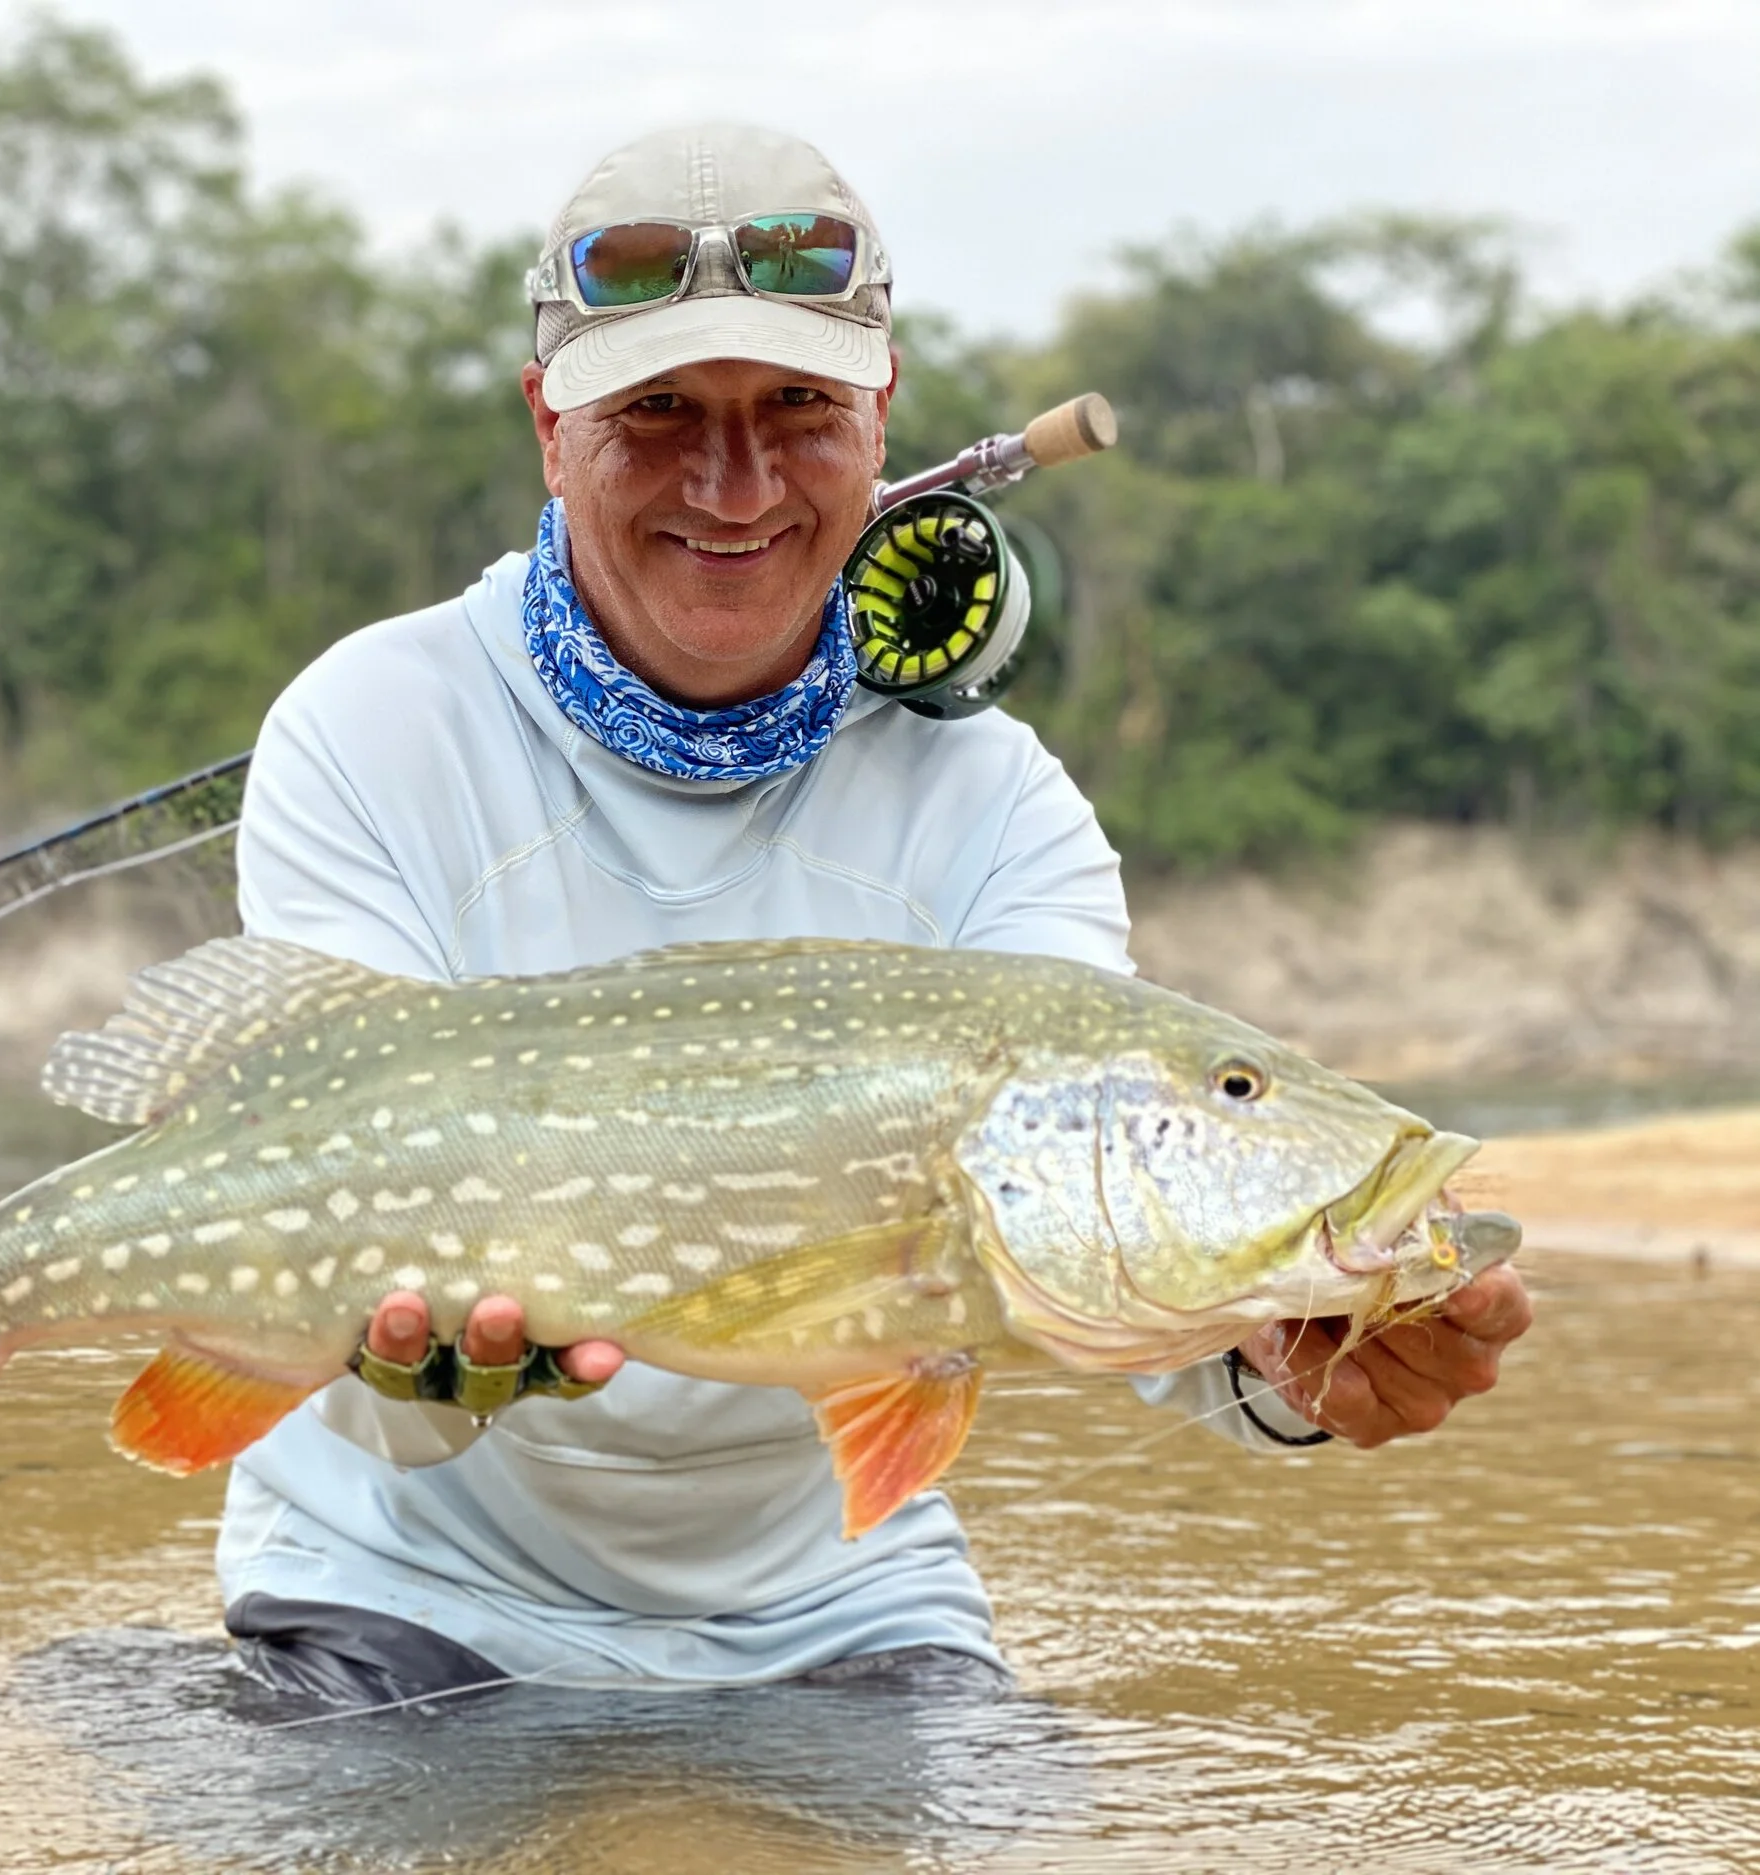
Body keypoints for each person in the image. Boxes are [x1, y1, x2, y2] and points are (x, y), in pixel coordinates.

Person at [215, 123, 1533, 1706]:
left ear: (881, 409)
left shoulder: (1001, 806)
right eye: (656, 414)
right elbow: (310, 1227)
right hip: (400, 1574)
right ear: (548, 428)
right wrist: (416, 1374)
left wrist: (1291, 1364)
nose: (736, 480)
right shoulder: (370, 721)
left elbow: (1075, 1225)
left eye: (798, 409)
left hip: (831, 1597)